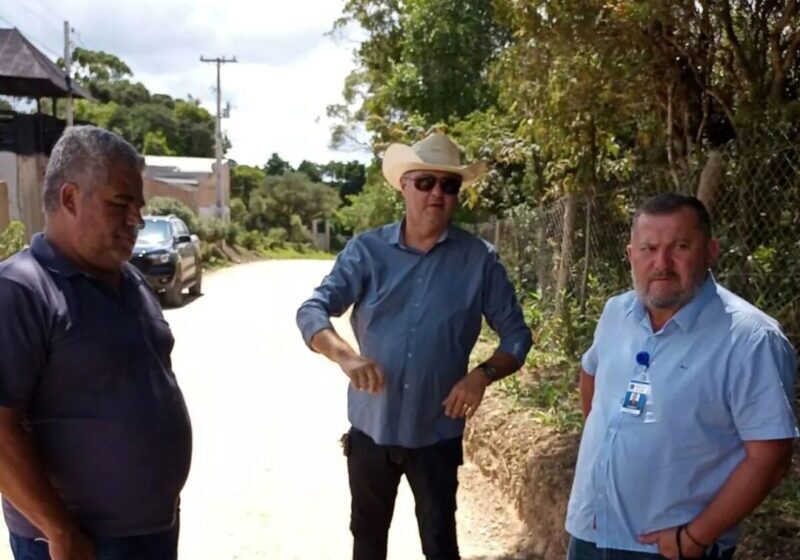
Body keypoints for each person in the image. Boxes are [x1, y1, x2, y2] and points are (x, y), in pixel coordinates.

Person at [296, 132, 532, 560]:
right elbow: (312, 310)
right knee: (367, 544)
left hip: (436, 435)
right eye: (425, 182)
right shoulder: (366, 252)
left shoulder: (480, 261)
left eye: (449, 185)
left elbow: (517, 336)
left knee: (441, 546)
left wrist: (482, 375)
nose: (437, 194)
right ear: (404, 184)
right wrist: (345, 355)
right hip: (371, 432)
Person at [565, 193, 798, 560]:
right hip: (590, 531)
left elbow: (771, 457)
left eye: (680, 247)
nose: (662, 263)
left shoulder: (750, 339)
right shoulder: (616, 313)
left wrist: (694, 538)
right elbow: (591, 375)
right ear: (630, 255)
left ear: (710, 251)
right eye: (649, 248)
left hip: (671, 549)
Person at [0, 126, 193, 560]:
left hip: (151, 531)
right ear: (70, 199)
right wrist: (59, 531)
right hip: (77, 544)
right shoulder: (21, 290)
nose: (137, 220)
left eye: (139, 207)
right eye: (120, 204)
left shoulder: (130, 281)